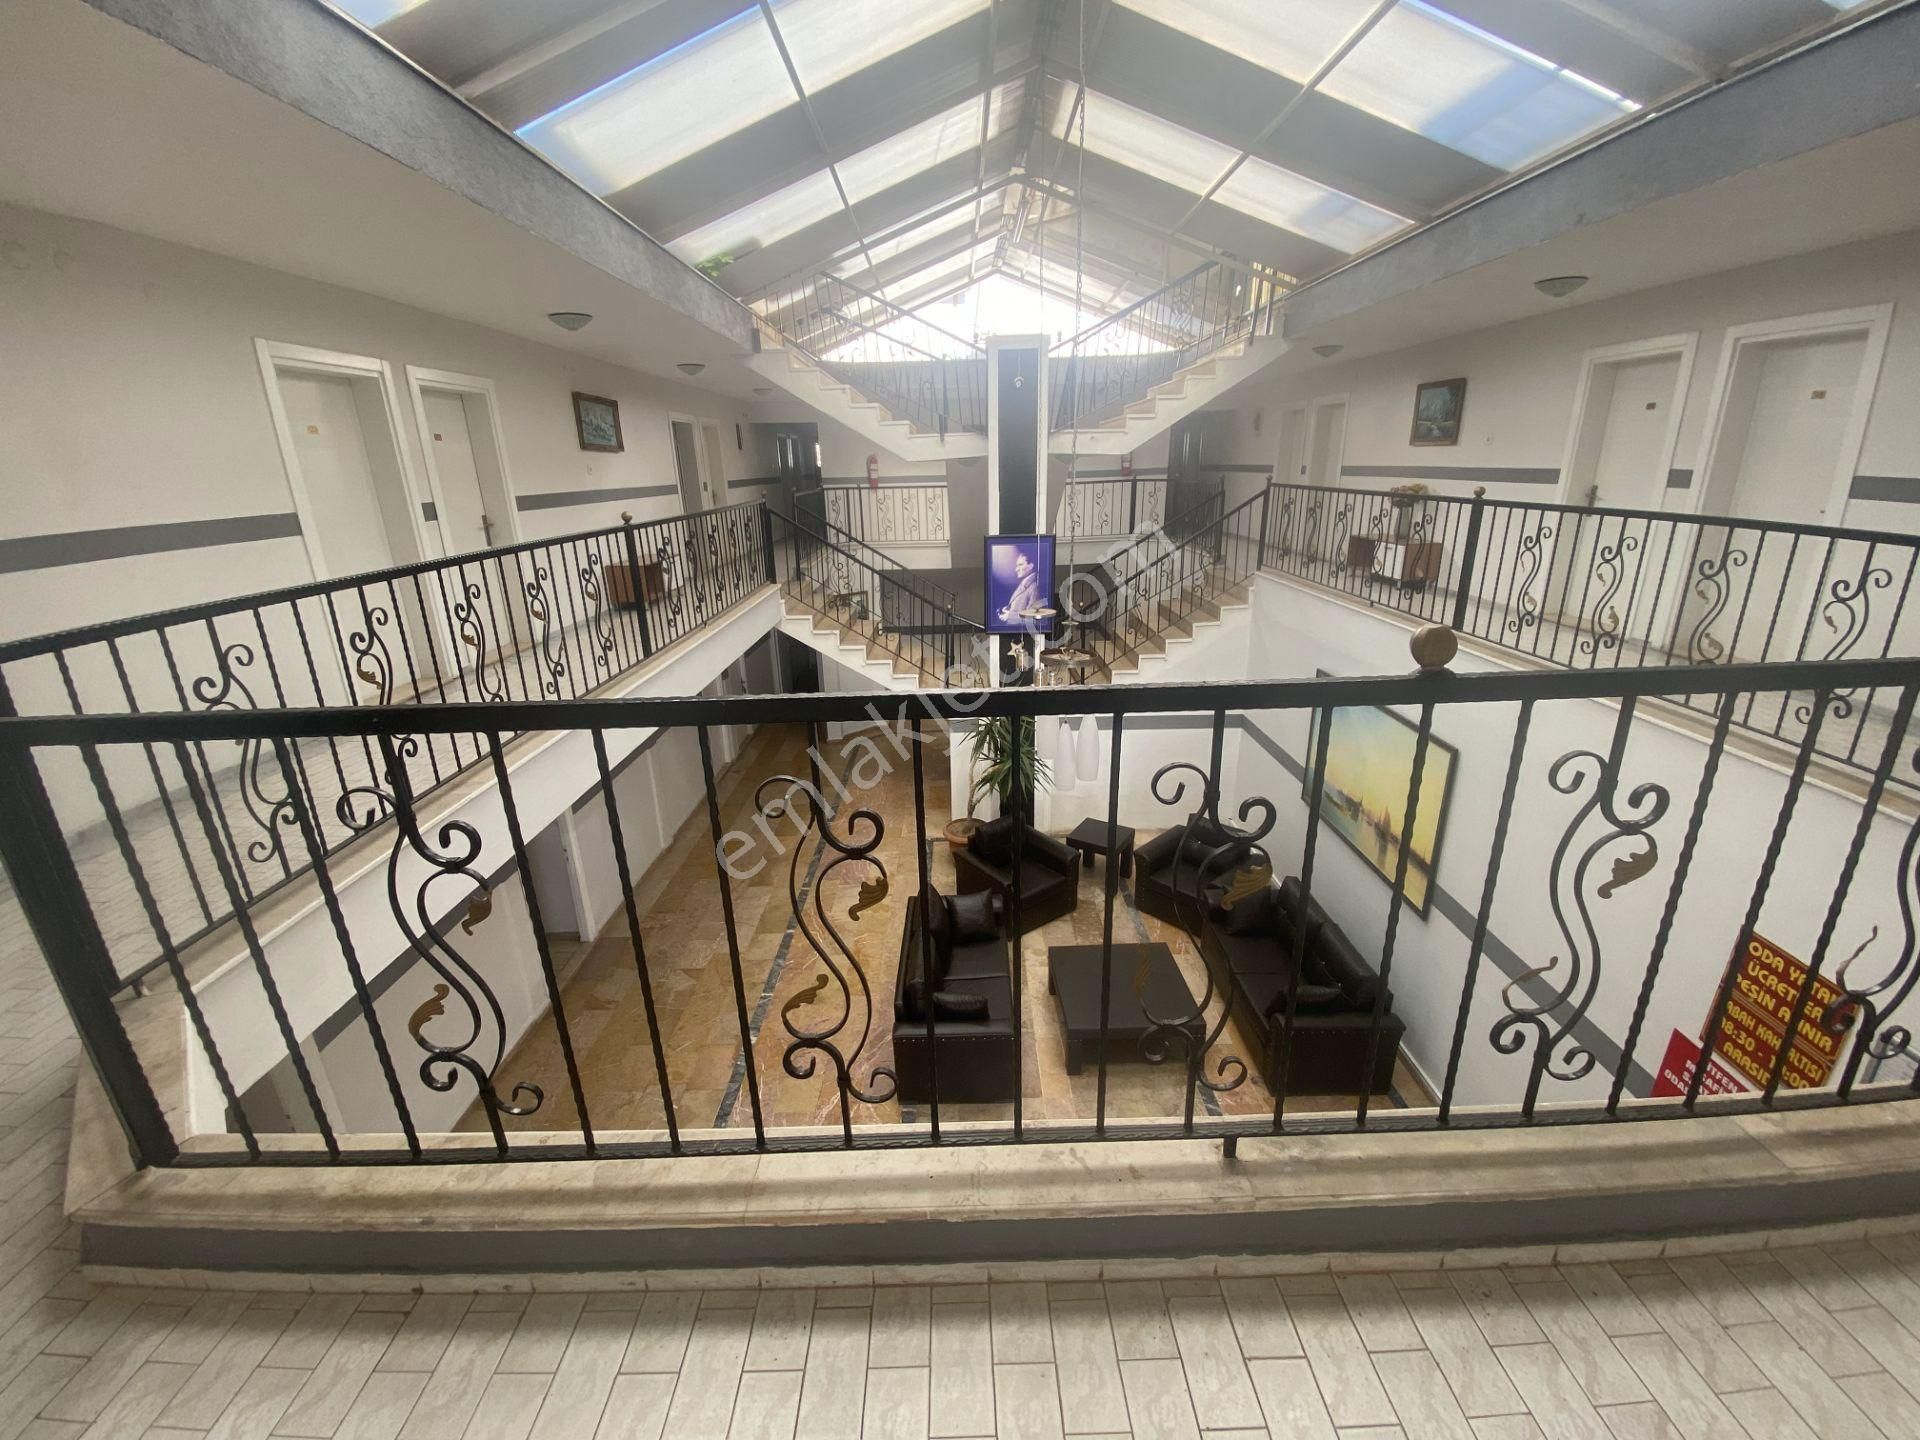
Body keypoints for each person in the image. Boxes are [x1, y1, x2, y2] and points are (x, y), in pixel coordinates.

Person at [997, 547, 1044, 627]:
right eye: (1017, 565)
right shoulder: (1024, 584)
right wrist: (1008, 610)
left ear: (1031, 566)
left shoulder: (1034, 587)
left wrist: (1010, 616)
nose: (1016, 569)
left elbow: (1033, 618)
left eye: (1020, 565)